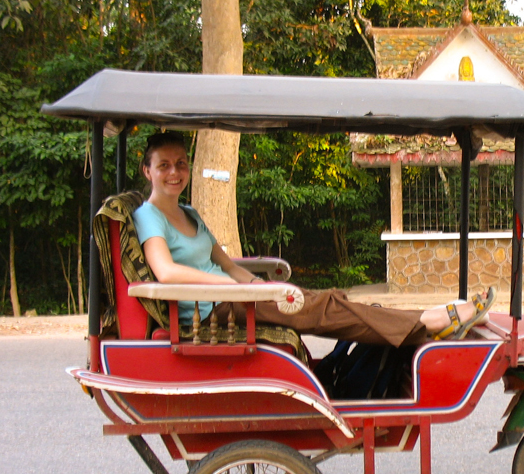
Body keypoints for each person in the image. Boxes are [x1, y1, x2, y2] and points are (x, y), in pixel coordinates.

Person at [132, 132, 492, 346]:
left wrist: (258, 286)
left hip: (237, 296)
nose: (174, 172)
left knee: (323, 301)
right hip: (215, 310)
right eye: (164, 165)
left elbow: (230, 265)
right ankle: (429, 321)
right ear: (147, 170)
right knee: (322, 308)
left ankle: (423, 320)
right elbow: (166, 273)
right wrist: (228, 288)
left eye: (180, 164)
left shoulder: (190, 213)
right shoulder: (149, 215)